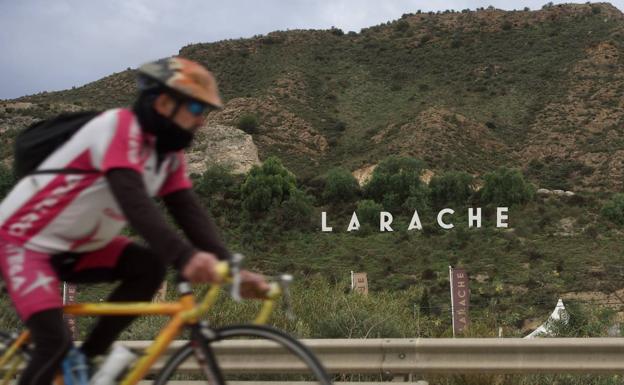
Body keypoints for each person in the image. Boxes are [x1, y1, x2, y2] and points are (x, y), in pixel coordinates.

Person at [0, 57, 269, 385]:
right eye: (197, 110)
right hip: (24, 243)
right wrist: (185, 257)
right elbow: (134, 203)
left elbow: (189, 213)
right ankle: (67, 360)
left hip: (78, 246)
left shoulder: (168, 158)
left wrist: (234, 272)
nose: (202, 122)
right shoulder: (118, 127)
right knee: (53, 343)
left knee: (150, 265)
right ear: (164, 102)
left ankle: (83, 363)